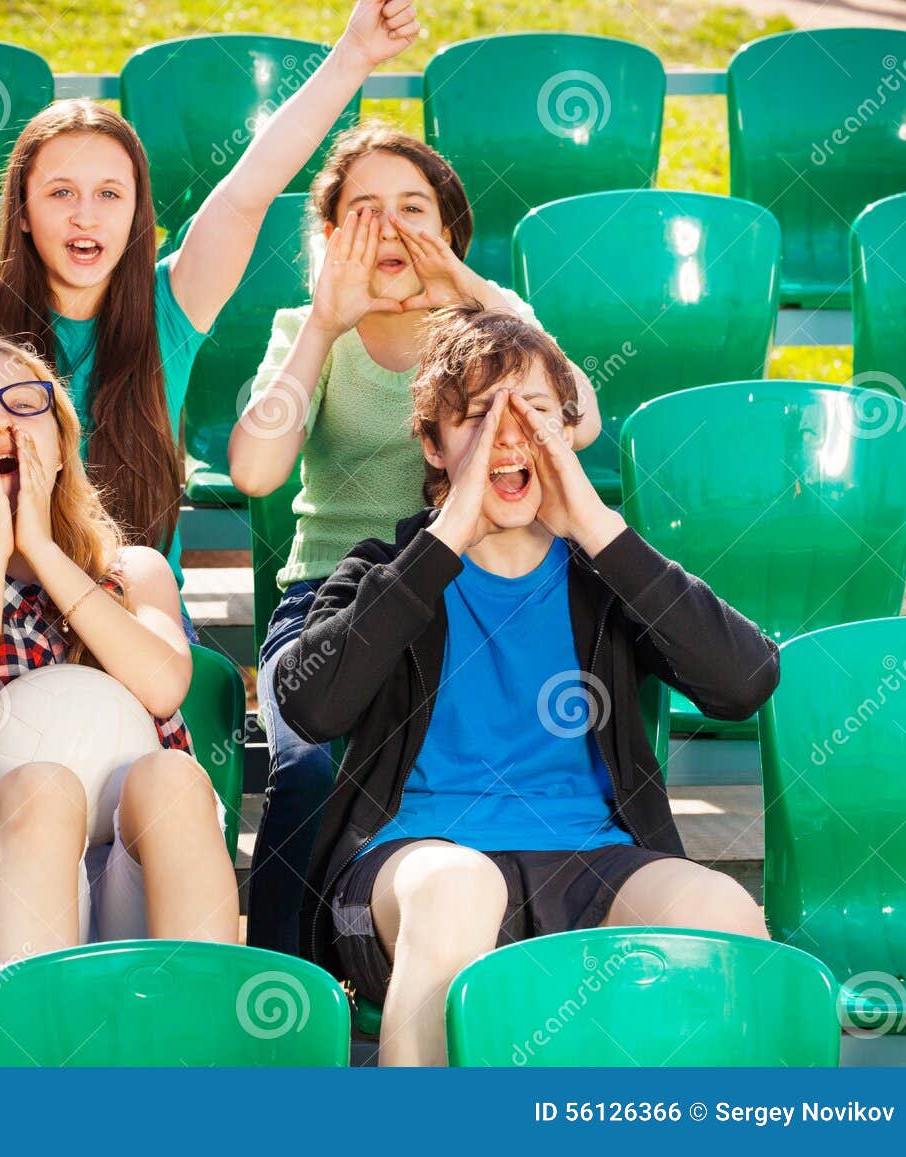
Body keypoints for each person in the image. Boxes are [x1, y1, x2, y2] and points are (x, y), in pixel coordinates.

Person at [275, 305, 777, 1065]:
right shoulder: (387, 571)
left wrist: (598, 525)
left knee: (723, 912)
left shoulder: (604, 574)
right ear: (432, 445)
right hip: (414, 870)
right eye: (478, 416)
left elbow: (744, 681)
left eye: (533, 413)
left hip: (591, 863)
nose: (508, 438)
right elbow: (311, 706)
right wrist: (446, 539)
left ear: (568, 434)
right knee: (460, 888)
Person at [0, 0, 422, 593]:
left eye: (108, 194)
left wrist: (355, 55)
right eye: (60, 193)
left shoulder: (168, 309)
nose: (85, 217)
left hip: (136, 613)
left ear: (136, 212)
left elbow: (251, 188)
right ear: (22, 214)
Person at [228, 125, 604, 953]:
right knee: (314, 766)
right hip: (336, 601)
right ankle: (284, 982)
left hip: (469, 603)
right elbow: (255, 469)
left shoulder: (485, 336)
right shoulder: (307, 329)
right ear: (331, 237)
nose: (391, 229)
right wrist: (325, 325)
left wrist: (465, 284)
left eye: (412, 211)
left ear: (446, 229)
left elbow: (580, 419)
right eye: (365, 212)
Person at [0, 336, 237, 994]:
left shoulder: (136, 575)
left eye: (22, 403)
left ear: (61, 444)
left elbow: (161, 684)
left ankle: (192, 1034)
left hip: (127, 892)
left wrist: (38, 543)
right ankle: (36, 1055)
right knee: (42, 789)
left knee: (174, 778)